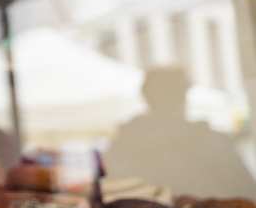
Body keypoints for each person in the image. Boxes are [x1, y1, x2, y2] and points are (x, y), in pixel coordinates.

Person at [105, 66, 256, 199]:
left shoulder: (126, 142)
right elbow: (246, 189)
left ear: (145, 96)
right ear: (184, 94)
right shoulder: (210, 139)